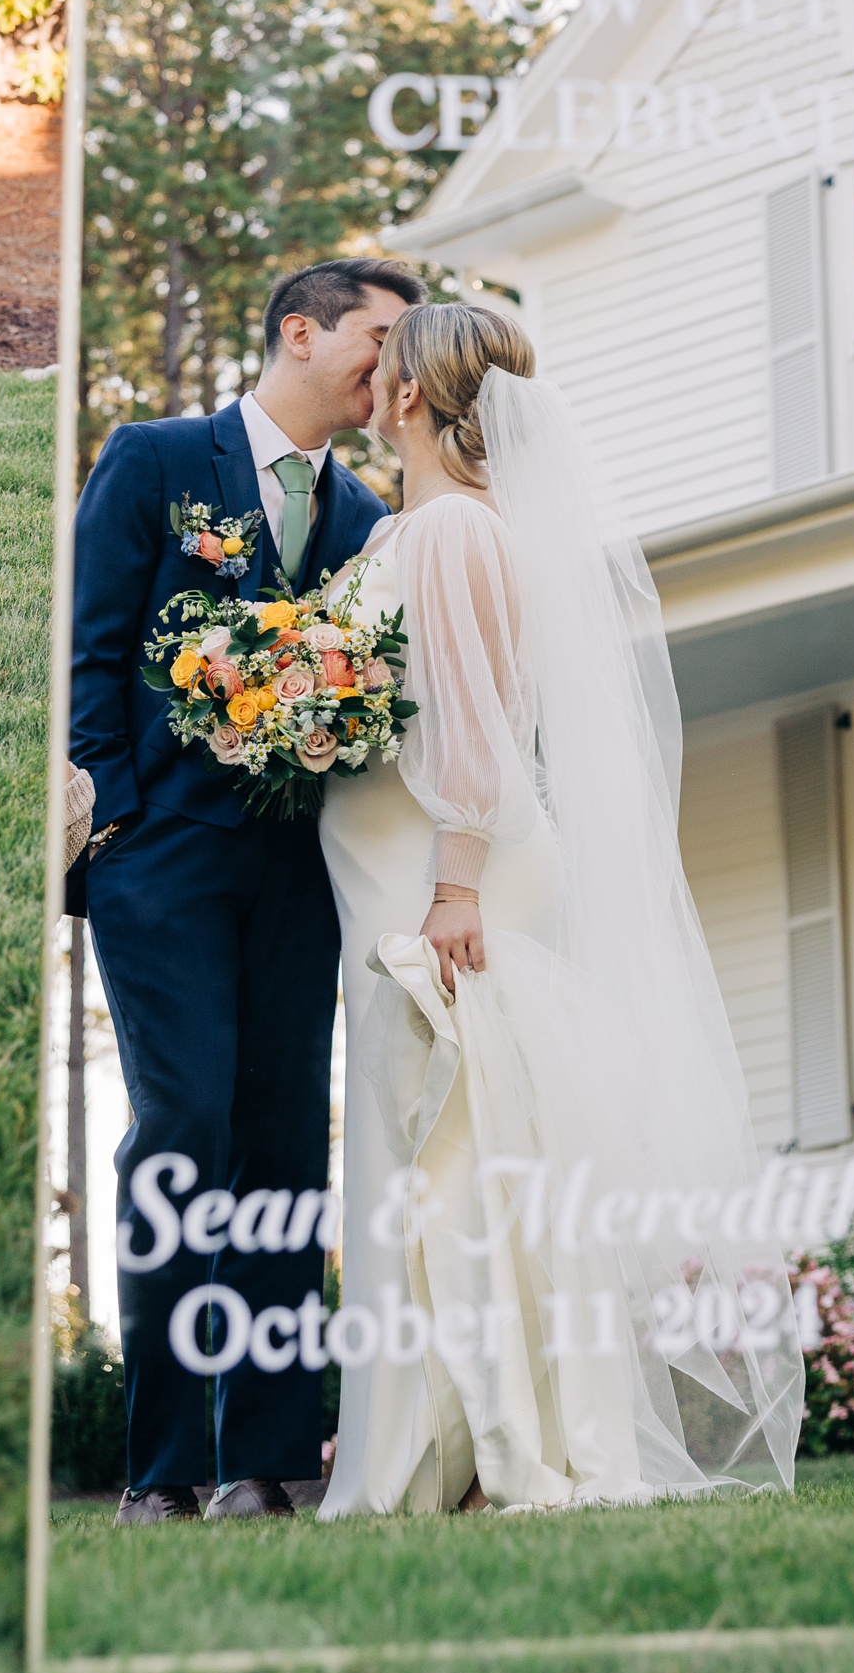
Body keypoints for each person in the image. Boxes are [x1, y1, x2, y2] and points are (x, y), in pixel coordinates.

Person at [318, 301, 803, 1515]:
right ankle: (460, 1439)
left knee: (461, 1155)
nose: (370, 383)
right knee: (443, 1153)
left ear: (415, 396)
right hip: (413, 861)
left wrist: (454, 887)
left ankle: (485, 1450)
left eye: (386, 369)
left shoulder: (452, 536)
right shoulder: (433, 528)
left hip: (442, 875)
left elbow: (474, 731)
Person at [69, 256, 422, 1524]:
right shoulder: (156, 459)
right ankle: (159, 1466)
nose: (395, 358)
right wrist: (113, 819)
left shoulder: (367, 519)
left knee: (280, 1148)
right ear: (300, 333)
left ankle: (265, 1462)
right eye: (381, 335)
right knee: (181, 1134)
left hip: (298, 877)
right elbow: (92, 649)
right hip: (159, 865)